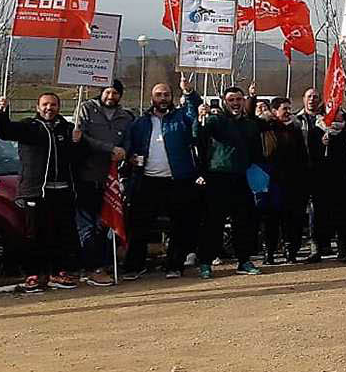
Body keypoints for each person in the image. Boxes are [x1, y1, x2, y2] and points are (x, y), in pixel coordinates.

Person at [0, 93, 85, 292]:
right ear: (38, 107)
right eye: (45, 104)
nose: (49, 108)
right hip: (35, 191)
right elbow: (3, 131)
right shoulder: (29, 127)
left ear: (59, 107)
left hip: (63, 191)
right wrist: (1, 111)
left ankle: (59, 271)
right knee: (34, 234)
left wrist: (77, 142)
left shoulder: (68, 129)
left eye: (53, 105)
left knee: (62, 234)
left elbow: (77, 159)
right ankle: (33, 274)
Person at [123, 78, 203, 278]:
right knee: (139, 225)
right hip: (147, 180)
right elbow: (130, 147)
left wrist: (189, 92)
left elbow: (194, 114)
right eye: (159, 95)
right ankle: (135, 265)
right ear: (152, 98)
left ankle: (174, 265)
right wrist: (131, 157)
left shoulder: (181, 118)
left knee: (179, 224)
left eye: (166, 94)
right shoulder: (140, 122)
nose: (163, 98)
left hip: (177, 180)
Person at [196, 85, 264, 278]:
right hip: (217, 177)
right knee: (213, 222)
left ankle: (244, 260)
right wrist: (200, 117)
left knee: (243, 221)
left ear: (243, 101)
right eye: (231, 100)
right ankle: (206, 262)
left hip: (241, 178)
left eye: (238, 99)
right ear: (225, 102)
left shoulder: (250, 124)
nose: (235, 103)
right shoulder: (216, 120)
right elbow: (199, 137)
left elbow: (256, 150)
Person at [72, 80, 135, 285]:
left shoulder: (125, 116)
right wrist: (109, 149)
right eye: (108, 92)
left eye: (115, 93)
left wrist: (124, 151)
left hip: (111, 179)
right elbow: (82, 137)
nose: (111, 96)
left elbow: (128, 139)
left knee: (105, 224)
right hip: (87, 176)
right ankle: (92, 268)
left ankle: (105, 263)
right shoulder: (87, 109)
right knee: (87, 226)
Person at [300, 90, 346, 263]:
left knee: (342, 214)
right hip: (320, 180)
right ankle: (316, 248)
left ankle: (342, 249)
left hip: (341, 179)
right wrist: (321, 144)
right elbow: (310, 154)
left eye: (338, 111)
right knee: (319, 215)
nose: (337, 114)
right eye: (332, 111)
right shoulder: (316, 131)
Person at [257, 97, 310, 265]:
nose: (288, 112)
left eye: (289, 108)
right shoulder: (266, 128)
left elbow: (302, 156)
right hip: (271, 181)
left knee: (292, 219)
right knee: (270, 219)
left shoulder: (295, 129)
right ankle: (269, 253)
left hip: (293, 181)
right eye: (284, 109)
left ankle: (291, 251)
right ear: (274, 111)